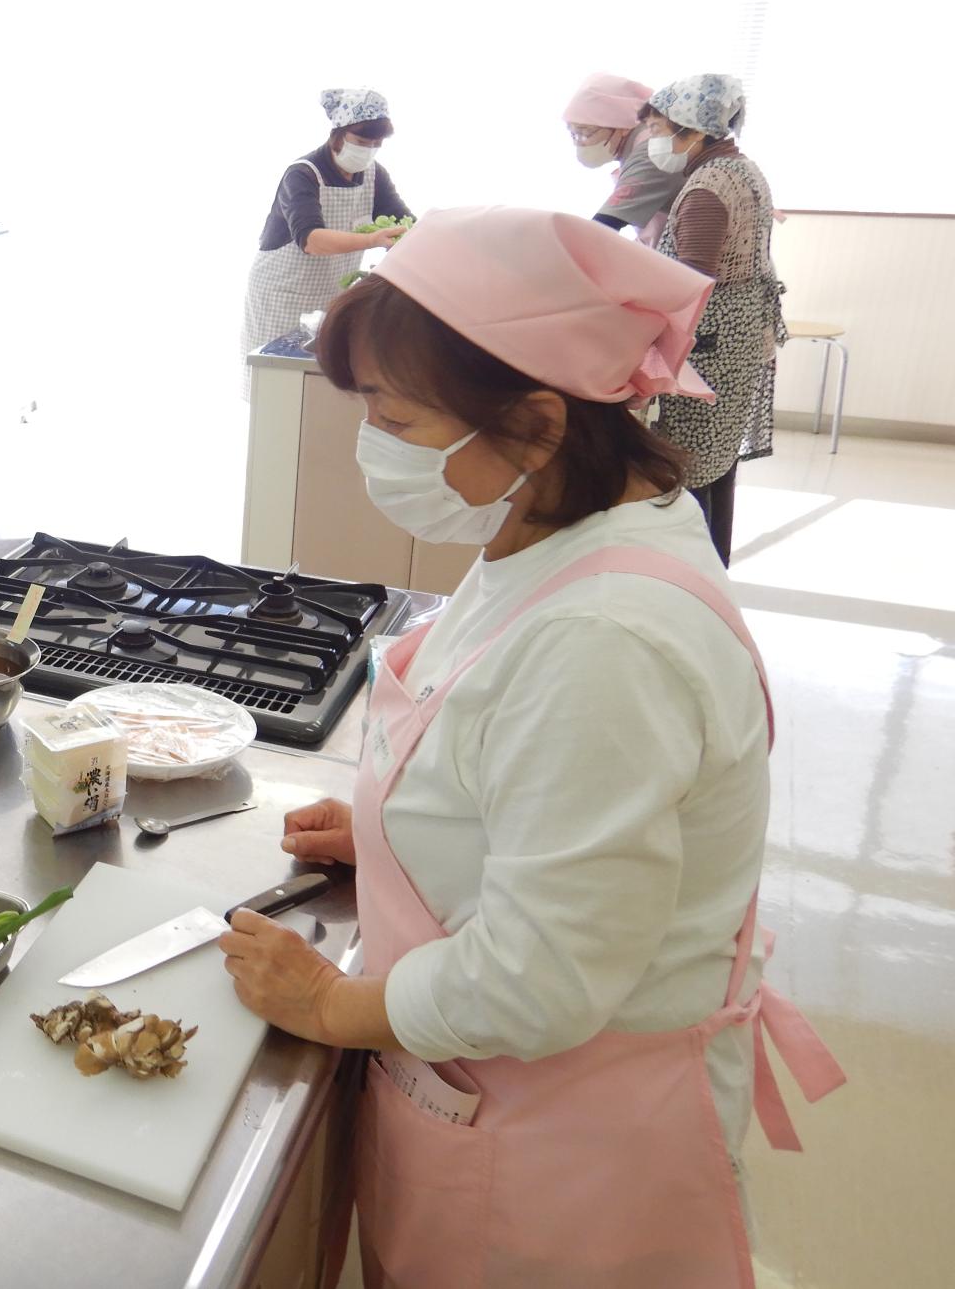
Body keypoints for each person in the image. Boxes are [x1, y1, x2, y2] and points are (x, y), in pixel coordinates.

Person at [216, 207, 842, 1288]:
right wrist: (405, 835)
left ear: (539, 422)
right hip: (501, 1106)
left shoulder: (606, 640)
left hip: (566, 1158)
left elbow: (539, 979)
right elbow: (532, 768)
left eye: (396, 418)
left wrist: (327, 1003)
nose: (373, 445)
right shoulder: (569, 525)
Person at [640, 73, 786, 564]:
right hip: (740, 335)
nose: (652, 139)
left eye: (657, 128)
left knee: (688, 464)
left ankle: (688, 572)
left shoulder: (707, 187)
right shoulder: (744, 169)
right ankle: (711, 569)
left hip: (710, 344)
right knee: (717, 464)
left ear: (692, 130)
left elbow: (691, 283)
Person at [240, 88, 412, 391]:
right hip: (281, 294)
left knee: (316, 385)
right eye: (362, 142)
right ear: (338, 135)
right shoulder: (302, 174)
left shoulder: (374, 175)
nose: (370, 150)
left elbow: (403, 221)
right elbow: (311, 240)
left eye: (377, 144)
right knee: (274, 384)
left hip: (327, 292)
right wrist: (373, 239)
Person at [562, 71, 682, 245]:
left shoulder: (654, 151)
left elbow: (603, 226)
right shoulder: (636, 148)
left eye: (585, 133)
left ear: (622, 126)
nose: (579, 143)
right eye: (573, 133)